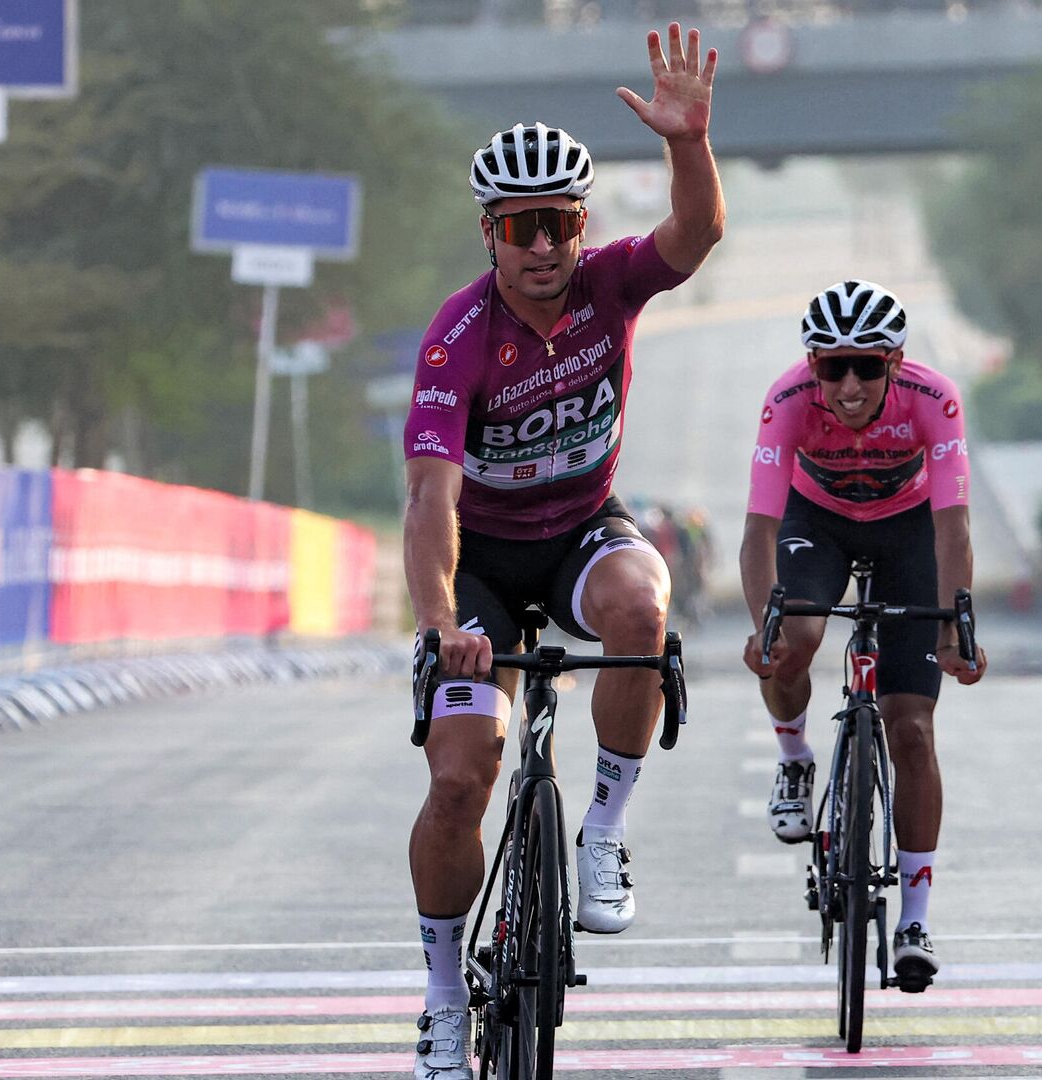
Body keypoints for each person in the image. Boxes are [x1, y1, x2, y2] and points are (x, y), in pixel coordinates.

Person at [401, 24, 724, 1079]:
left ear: (582, 228)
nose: (544, 248)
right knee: (460, 782)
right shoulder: (458, 341)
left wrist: (688, 142)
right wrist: (444, 623)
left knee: (642, 612)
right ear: (490, 234)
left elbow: (698, 231)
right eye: (521, 228)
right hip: (485, 567)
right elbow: (430, 499)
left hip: (585, 529)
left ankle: (604, 829)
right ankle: (445, 998)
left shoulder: (609, 287)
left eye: (560, 225)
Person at [739, 280, 988, 993]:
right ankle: (794, 755)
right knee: (799, 636)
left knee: (911, 729)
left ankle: (914, 917)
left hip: (910, 531)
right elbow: (758, 530)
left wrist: (955, 624)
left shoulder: (933, 398)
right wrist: (766, 625)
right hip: (813, 523)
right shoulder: (787, 401)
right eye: (831, 367)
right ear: (812, 364)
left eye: (867, 367)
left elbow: (953, 525)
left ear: (897, 363)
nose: (848, 386)